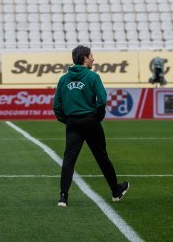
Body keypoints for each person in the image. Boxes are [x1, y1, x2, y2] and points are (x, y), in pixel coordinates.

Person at [53, 45, 129, 207]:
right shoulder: (92, 77)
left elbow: (56, 105)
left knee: (69, 159)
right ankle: (116, 191)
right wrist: (97, 117)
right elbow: (101, 100)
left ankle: (63, 197)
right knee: (101, 156)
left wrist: (66, 119)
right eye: (92, 56)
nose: (94, 58)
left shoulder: (63, 79)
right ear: (85, 58)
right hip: (90, 121)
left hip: (72, 122)